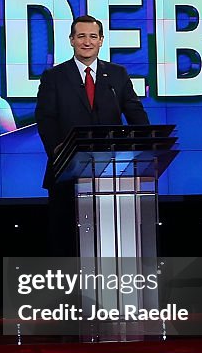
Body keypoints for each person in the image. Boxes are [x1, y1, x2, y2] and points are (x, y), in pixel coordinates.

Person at [34, 14, 149, 255]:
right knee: (66, 242)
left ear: (101, 40)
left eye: (93, 36)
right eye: (81, 36)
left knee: (110, 242)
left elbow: (135, 112)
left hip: (112, 173)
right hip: (66, 172)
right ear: (71, 40)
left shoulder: (117, 75)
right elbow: (45, 118)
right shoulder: (54, 77)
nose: (87, 42)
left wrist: (146, 144)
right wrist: (57, 149)